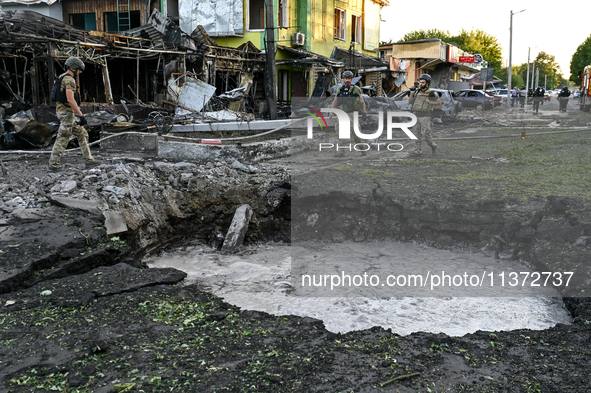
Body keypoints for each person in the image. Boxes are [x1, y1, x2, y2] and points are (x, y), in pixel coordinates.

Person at [49, 56, 101, 172]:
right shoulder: (69, 80)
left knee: (82, 133)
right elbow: (70, 100)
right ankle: (53, 165)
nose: (81, 72)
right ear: (74, 68)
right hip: (67, 114)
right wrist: (81, 115)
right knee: (63, 138)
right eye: (79, 69)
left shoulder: (61, 77)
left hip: (64, 112)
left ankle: (89, 160)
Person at [329, 70, 367, 155]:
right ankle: (341, 152)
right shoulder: (340, 89)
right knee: (340, 133)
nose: (347, 80)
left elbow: (362, 101)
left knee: (356, 134)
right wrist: (331, 112)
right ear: (343, 79)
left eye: (349, 78)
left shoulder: (356, 89)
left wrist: (364, 113)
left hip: (352, 114)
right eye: (346, 78)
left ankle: (363, 149)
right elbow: (335, 100)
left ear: (352, 79)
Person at [408, 73, 440, 156]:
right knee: (416, 134)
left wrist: (430, 102)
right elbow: (410, 102)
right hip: (416, 115)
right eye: (420, 82)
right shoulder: (417, 91)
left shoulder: (431, 93)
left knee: (426, 134)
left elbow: (439, 103)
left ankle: (433, 146)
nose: (421, 84)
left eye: (423, 82)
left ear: (427, 83)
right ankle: (417, 151)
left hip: (425, 116)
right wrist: (411, 94)